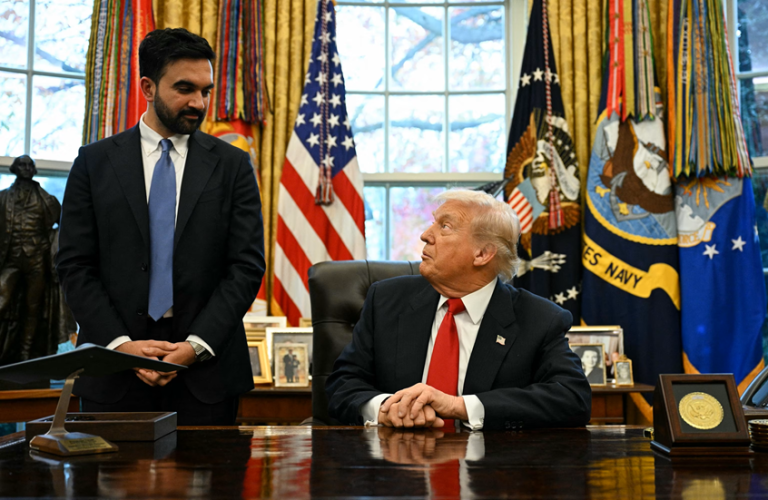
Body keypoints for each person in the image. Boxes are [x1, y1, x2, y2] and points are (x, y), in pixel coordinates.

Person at [56, 28, 265, 425]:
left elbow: (246, 266)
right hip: (112, 372)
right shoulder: (93, 162)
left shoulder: (233, 166)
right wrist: (121, 346)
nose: (198, 102)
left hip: (206, 376)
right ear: (148, 88)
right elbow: (74, 266)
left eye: (205, 91)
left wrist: (194, 347)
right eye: (185, 88)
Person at [326, 190, 591, 430]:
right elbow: (342, 384)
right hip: (396, 461)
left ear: (482, 254)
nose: (425, 235)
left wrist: (459, 406)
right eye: (433, 222)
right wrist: (386, 409)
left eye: (445, 226)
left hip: (490, 464)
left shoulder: (539, 319)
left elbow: (573, 398)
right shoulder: (385, 301)